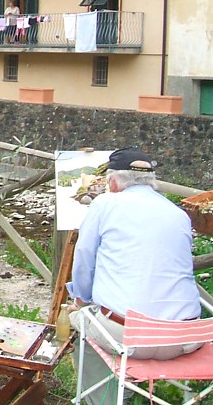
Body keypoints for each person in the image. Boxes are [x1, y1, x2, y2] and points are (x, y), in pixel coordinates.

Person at [66, 147, 201, 404]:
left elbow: (83, 259)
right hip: (186, 337)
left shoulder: (105, 204)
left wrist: (82, 300)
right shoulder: (179, 214)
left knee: (80, 320)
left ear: (113, 182)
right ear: (151, 181)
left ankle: (106, 399)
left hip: (132, 337)